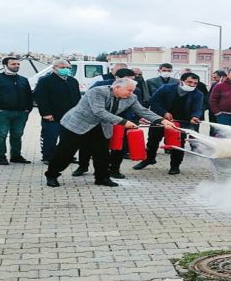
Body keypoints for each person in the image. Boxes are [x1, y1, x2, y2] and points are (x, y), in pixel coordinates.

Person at [44, 78, 175, 188]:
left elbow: (143, 111)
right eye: (129, 90)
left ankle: (102, 178)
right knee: (65, 153)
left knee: (102, 154)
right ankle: (52, 175)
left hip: (101, 126)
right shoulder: (97, 92)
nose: (131, 93)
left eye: (132, 91)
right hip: (77, 125)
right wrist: (124, 122)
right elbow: (99, 111)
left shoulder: (132, 97)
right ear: (117, 87)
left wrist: (162, 120)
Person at [72, 68, 138, 179]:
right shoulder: (100, 86)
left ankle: (114, 169)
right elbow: (94, 105)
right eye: (127, 80)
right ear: (117, 79)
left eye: (132, 80)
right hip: (97, 121)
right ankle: (83, 166)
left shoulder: (133, 90)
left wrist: (136, 118)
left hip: (123, 122)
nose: (130, 83)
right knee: (87, 145)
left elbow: (138, 107)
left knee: (119, 147)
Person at [133, 72, 204, 174]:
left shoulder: (198, 94)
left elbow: (197, 108)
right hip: (160, 119)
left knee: (178, 144)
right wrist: (164, 112)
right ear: (181, 81)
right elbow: (154, 102)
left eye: (195, 83)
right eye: (189, 82)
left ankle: (175, 166)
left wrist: (195, 117)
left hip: (180, 122)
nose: (192, 85)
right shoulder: (166, 88)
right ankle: (149, 159)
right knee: (153, 141)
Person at [0, 57, 34, 165]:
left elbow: (29, 96)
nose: (16, 66)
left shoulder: (23, 80)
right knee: (1, 134)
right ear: (5, 65)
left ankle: (16, 156)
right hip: (3, 113)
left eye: (18, 64)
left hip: (21, 113)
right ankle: (1, 156)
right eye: (13, 64)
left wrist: (27, 109)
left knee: (17, 135)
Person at [33, 59, 81, 164]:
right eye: (63, 67)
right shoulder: (45, 80)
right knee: (50, 136)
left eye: (68, 68)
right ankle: (48, 157)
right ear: (54, 68)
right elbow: (41, 98)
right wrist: (46, 113)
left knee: (68, 138)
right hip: (52, 115)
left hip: (70, 116)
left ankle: (66, 156)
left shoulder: (72, 81)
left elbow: (77, 97)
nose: (66, 70)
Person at [207, 70, 226, 136]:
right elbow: (209, 97)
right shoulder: (214, 84)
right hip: (212, 112)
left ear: (222, 77)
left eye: (215, 77)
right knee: (213, 128)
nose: (214, 79)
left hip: (223, 111)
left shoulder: (228, 85)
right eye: (213, 77)